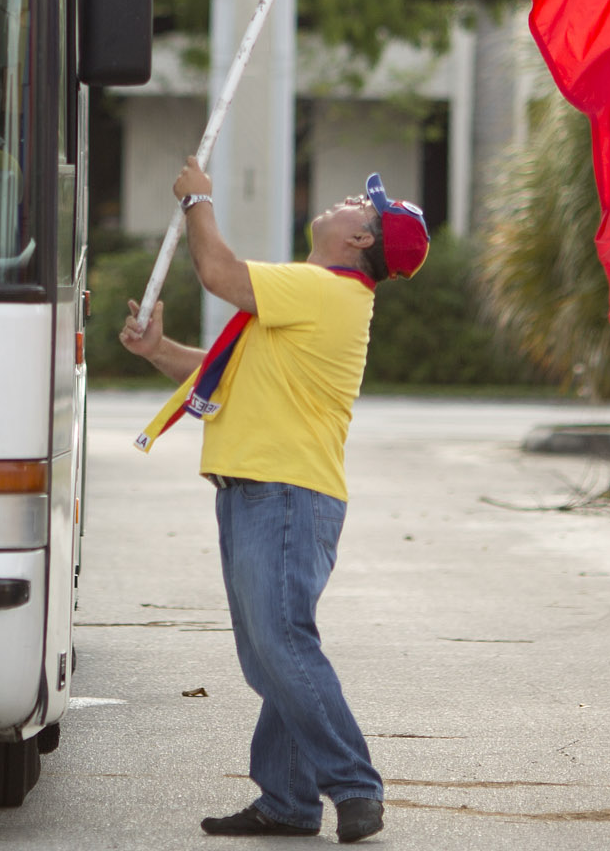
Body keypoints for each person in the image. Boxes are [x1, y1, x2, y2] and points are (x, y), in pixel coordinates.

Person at [119, 162, 432, 844]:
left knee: (282, 645)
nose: (350, 201)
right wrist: (156, 349)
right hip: (260, 489)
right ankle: (288, 802)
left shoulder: (326, 290)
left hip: (285, 494)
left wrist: (199, 198)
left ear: (358, 243)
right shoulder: (310, 297)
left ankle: (354, 784)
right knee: (270, 656)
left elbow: (220, 273)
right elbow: (223, 375)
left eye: (363, 208)